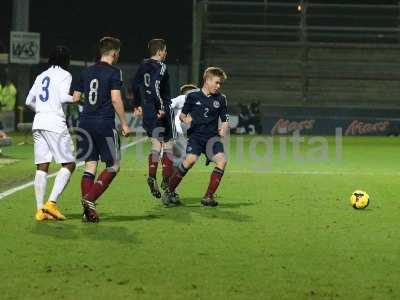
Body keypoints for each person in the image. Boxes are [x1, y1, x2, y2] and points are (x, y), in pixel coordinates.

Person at [72, 37, 130, 223]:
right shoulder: (115, 72)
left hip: (85, 122)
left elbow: (75, 98)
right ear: (114, 53)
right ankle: (89, 199)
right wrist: (124, 123)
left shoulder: (86, 71)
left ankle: (87, 212)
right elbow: (115, 99)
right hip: (104, 123)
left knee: (90, 166)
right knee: (114, 165)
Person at [163, 67, 229, 207]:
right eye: (216, 82)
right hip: (196, 137)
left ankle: (208, 197)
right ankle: (169, 191)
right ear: (207, 80)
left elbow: (225, 120)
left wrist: (223, 129)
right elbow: (182, 114)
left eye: (220, 84)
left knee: (222, 161)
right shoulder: (193, 96)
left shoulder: (221, 99)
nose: (218, 86)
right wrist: (185, 119)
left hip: (213, 139)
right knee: (190, 160)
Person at [25, 46, 76, 221]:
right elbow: (63, 97)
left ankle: (40, 210)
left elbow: (28, 101)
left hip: (38, 121)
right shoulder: (65, 75)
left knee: (42, 166)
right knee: (69, 163)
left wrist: (41, 110)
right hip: (54, 122)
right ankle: (51, 204)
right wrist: (75, 98)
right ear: (66, 61)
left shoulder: (41, 76)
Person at [132, 38, 176, 200]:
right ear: (159, 51)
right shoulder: (161, 66)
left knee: (156, 144)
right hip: (160, 109)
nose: (166, 53)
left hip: (147, 109)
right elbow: (155, 85)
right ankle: (166, 179)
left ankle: (152, 175)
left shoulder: (143, 65)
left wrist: (137, 104)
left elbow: (135, 84)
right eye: (165, 50)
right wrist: (161, 107)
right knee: (168, 143)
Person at [170, 83, 198, 166]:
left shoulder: (196, 102)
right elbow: (169, 105)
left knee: (187, 157)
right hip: (178, 130)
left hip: (188, 132)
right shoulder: (182, 98)